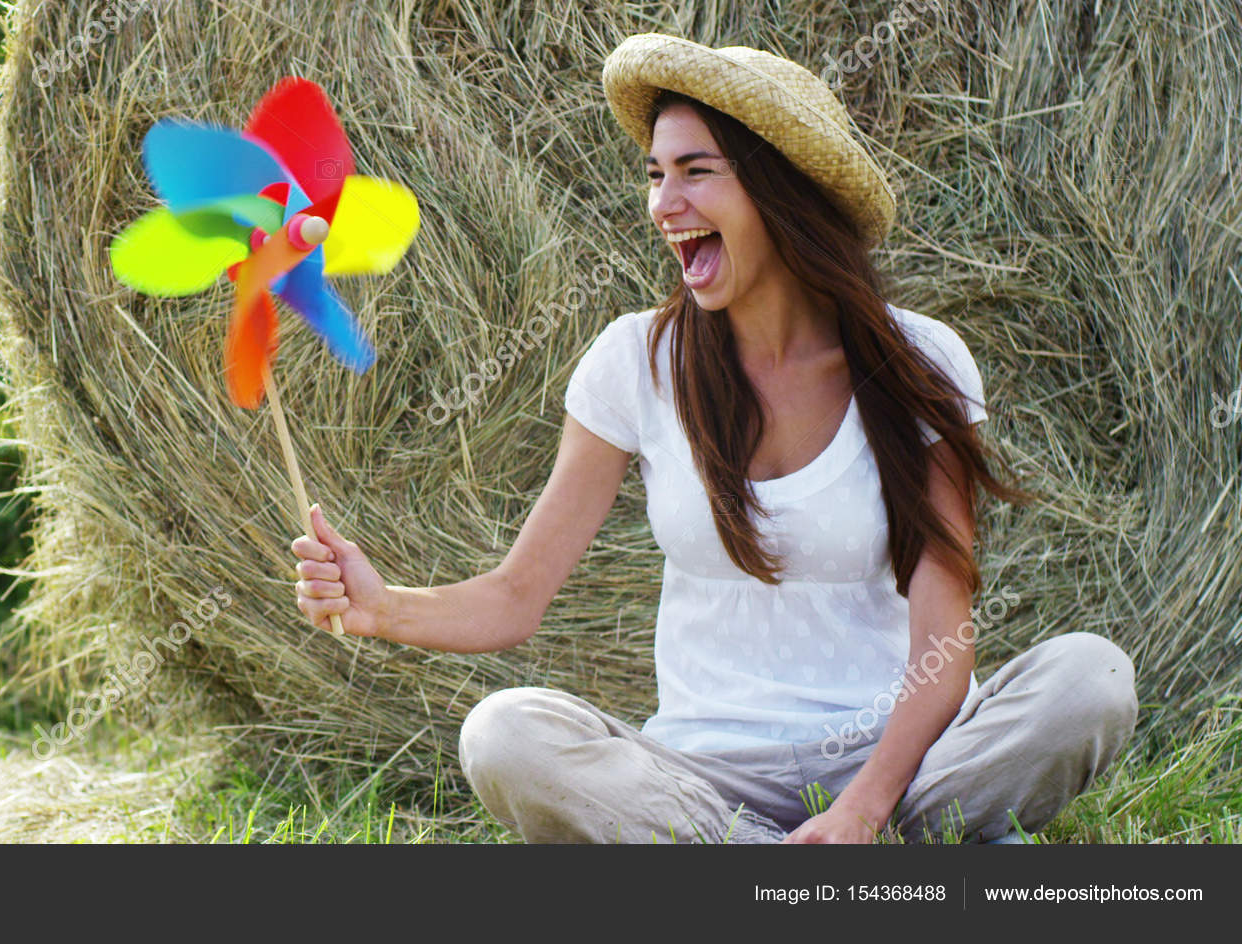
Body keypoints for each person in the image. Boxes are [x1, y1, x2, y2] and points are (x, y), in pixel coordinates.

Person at [289, 34, 1137, 843]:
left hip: (900, 766)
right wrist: (381, 606)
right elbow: (517, 598)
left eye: (696, 173)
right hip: (702, 777)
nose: (663, 204)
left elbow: (943, 642)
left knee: (1088, 679)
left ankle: (820, 852)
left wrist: (863, 809)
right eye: (655, 175)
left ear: (782, 192)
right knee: (505, 734)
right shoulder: (635, 361)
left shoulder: (918, 360)